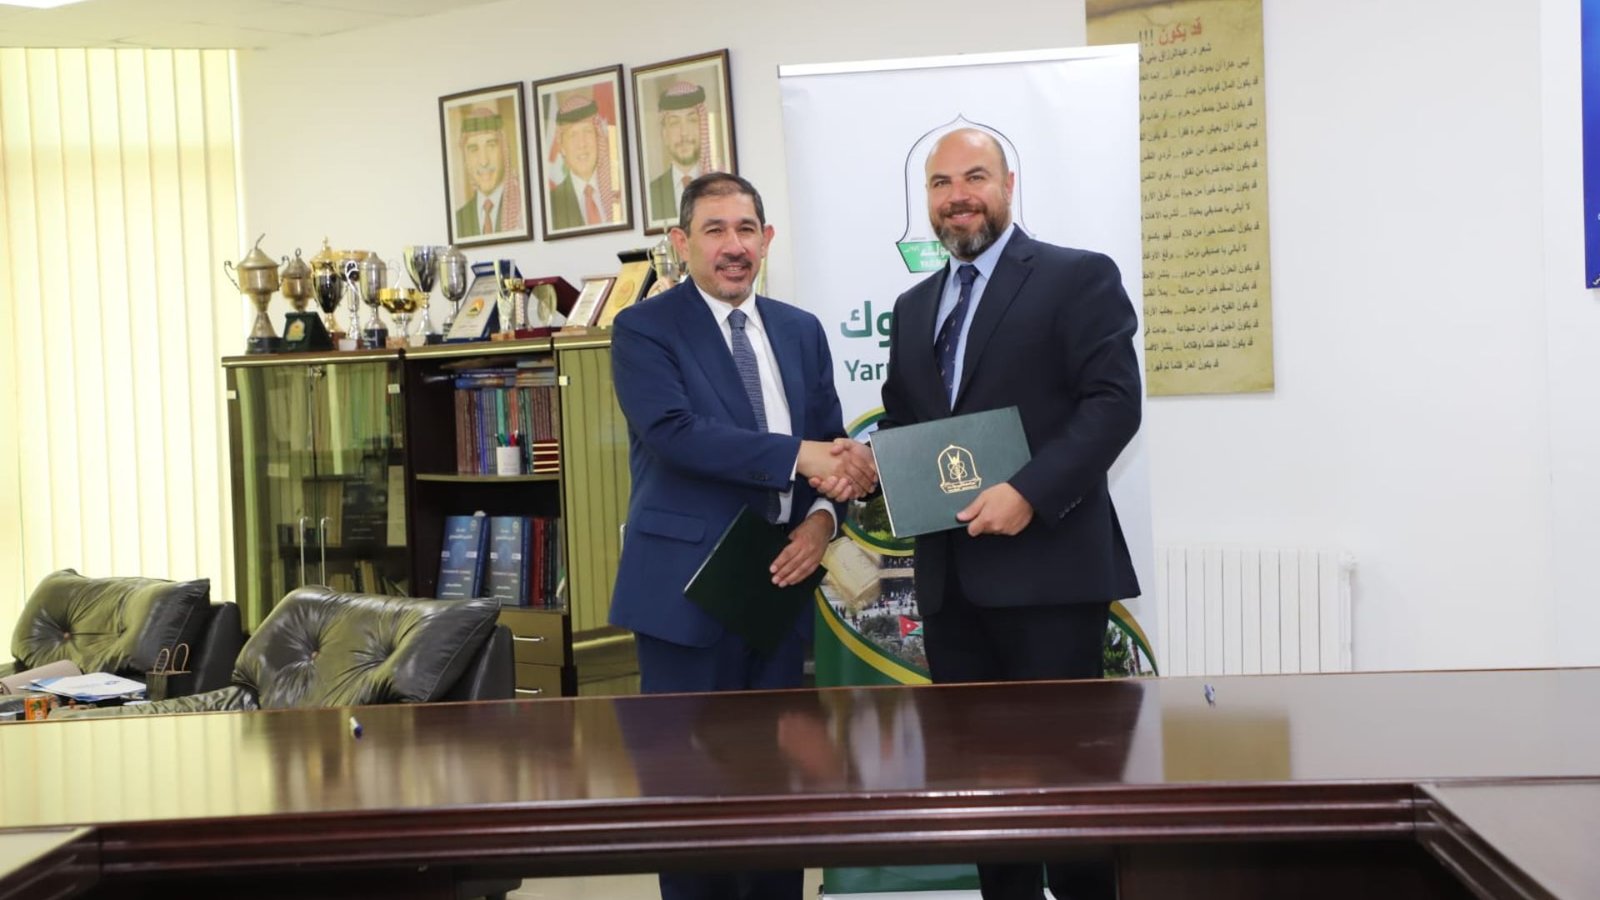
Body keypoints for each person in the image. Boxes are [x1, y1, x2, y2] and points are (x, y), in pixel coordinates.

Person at [870, 127, 1142, 900]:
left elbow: (1114, 403)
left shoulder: (1076, 277)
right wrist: (866, 462)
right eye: (940, 183)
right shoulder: (912, 306)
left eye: (975, 177)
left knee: (1071, 791)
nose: (958, 196)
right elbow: (905, 423)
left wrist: (1029, 491)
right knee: (984, 794)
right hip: (952, 588)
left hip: (1051, 577)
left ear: (1009, 185)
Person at [609, 172, 876, 900]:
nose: (734, 246)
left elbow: (828, 445)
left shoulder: (800, 330)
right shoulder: (644, 329)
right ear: (681, 242)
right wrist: (801, 457)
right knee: (691, 806)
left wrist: (822, 523)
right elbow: (676, 434)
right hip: (684, 597)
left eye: (746, 229)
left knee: (776, 800)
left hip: (777, 594)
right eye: (715, 230)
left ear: (767, 239)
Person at [546, 92, 618, 231]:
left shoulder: (619, 191)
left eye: (587, 131)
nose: (582, 144)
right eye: (573, 135)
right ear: (562, 147)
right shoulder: (551, 205)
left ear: (598, 136)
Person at [646, 80, 713, 227]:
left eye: (692, 120)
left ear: (703, 127)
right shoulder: (651, 192)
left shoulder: (719, 186)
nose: (684, 133)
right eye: (675, 123)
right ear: (664, 134)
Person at [452, 103, 523, 238]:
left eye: (491, 146)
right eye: (473, 149)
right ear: (465, 159)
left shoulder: (522, 210)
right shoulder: (458, 220)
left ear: (504, 151)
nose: (484, 161)